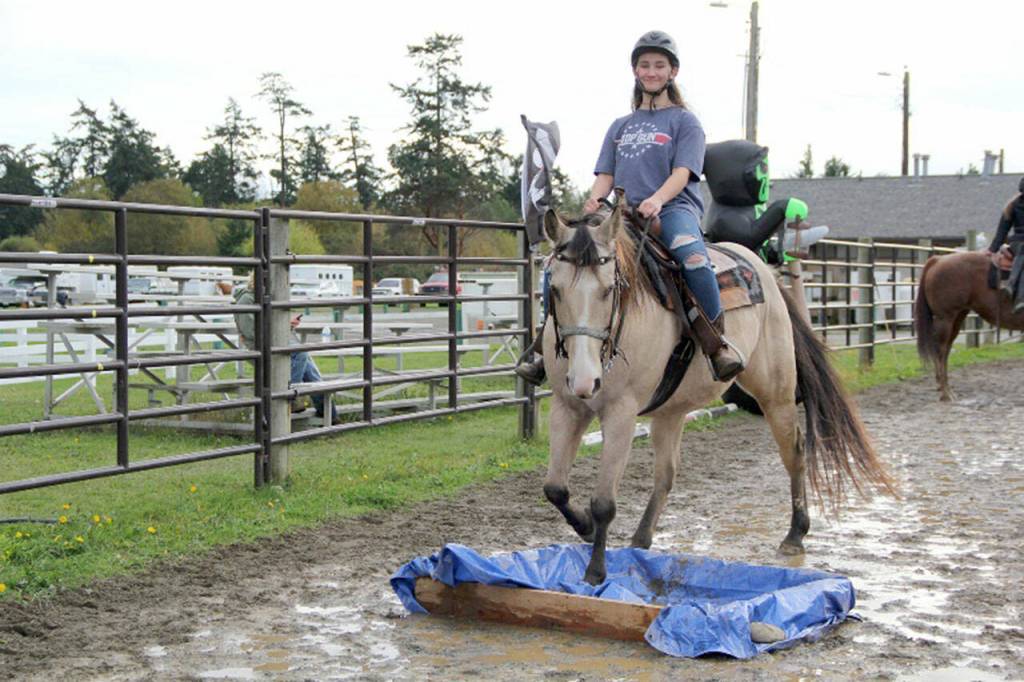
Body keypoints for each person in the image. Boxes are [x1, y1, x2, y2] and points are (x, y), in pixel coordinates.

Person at [515, 30, 744, 385]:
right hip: (620, 214)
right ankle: (545, 349)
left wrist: (657, 199)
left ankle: (717, 344)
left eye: (659, 65)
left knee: (694, 258)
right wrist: (595, 198)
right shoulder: (620, 126)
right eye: (644, 65)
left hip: (672, 208)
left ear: (673, 72)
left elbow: (683, 173)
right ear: (636, 71)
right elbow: (606, 174)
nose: (651, 72)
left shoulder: (686, 122)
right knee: (559, 261)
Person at [217, 279, 338, 423]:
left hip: (274, 342)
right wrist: (282, 326)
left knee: (306, 364)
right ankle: (291, 398)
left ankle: (329, 414)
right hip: (262, 347)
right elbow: (252, 332)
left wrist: (287, 325)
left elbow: (268, 325)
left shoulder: (262, 298)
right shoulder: (246, 300)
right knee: (301, 355)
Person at [987, 177, 1024, 314]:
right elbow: (1002, 230)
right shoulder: (1012, 206)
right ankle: (1020, 298)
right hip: (1018, 245)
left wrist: (992, 249)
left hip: (1016, 244)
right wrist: (992, 250)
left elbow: (1002, 231)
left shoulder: (1012, 205)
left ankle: (1011, 284)